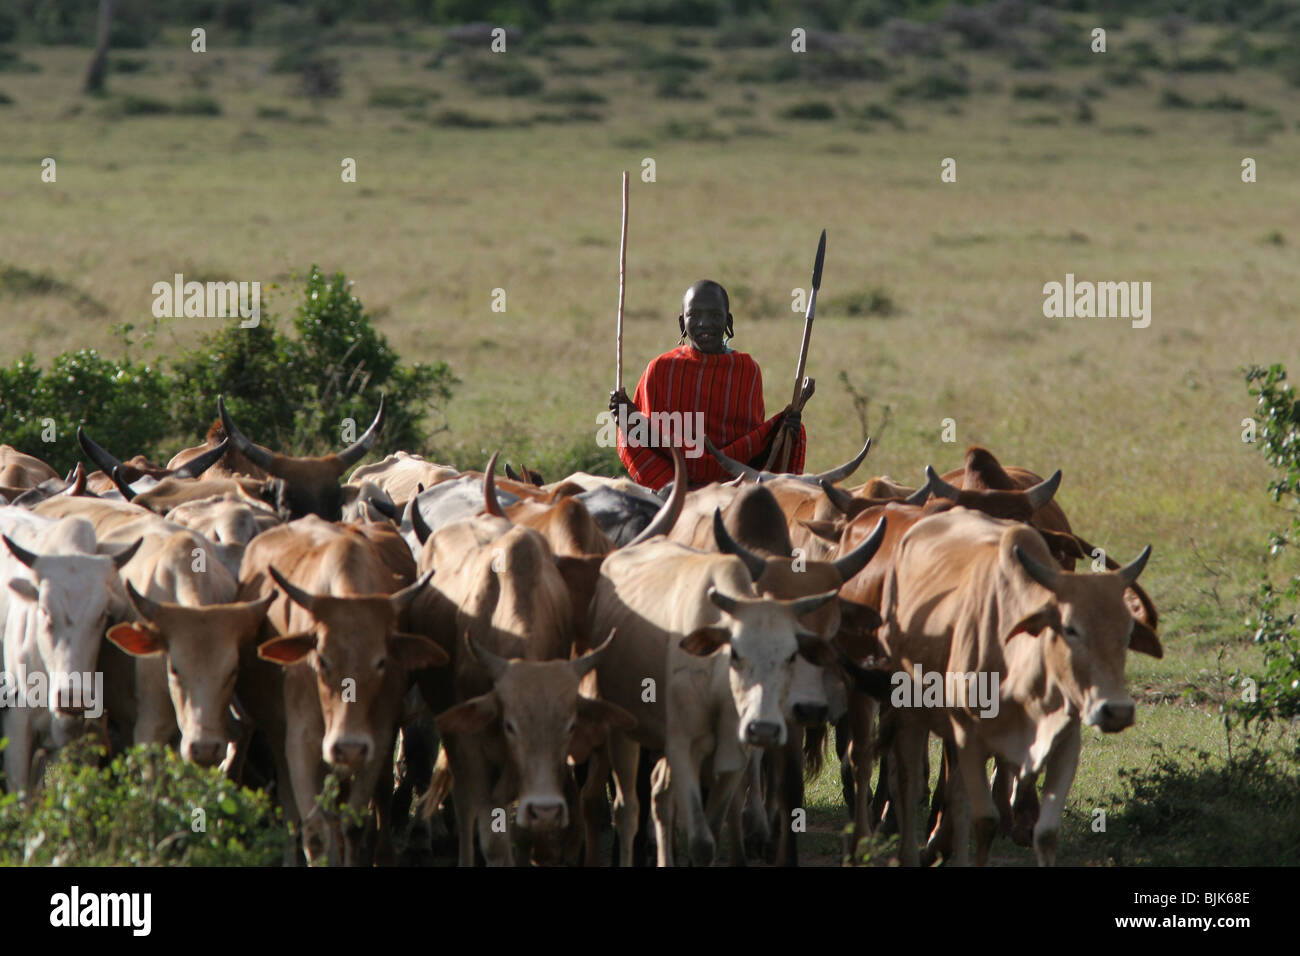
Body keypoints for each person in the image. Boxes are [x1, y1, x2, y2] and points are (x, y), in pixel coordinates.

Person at [608, 279, 807, 489]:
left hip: (733, 485)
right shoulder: (661, 369)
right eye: (694, 315)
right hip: (672, 486)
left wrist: (783, 431)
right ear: (681, 323)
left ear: (728, 322)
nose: (704, 323)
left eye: (714, 315)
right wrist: (628, 418)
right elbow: (644, 438)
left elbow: (753, 446)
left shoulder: (746, 371)